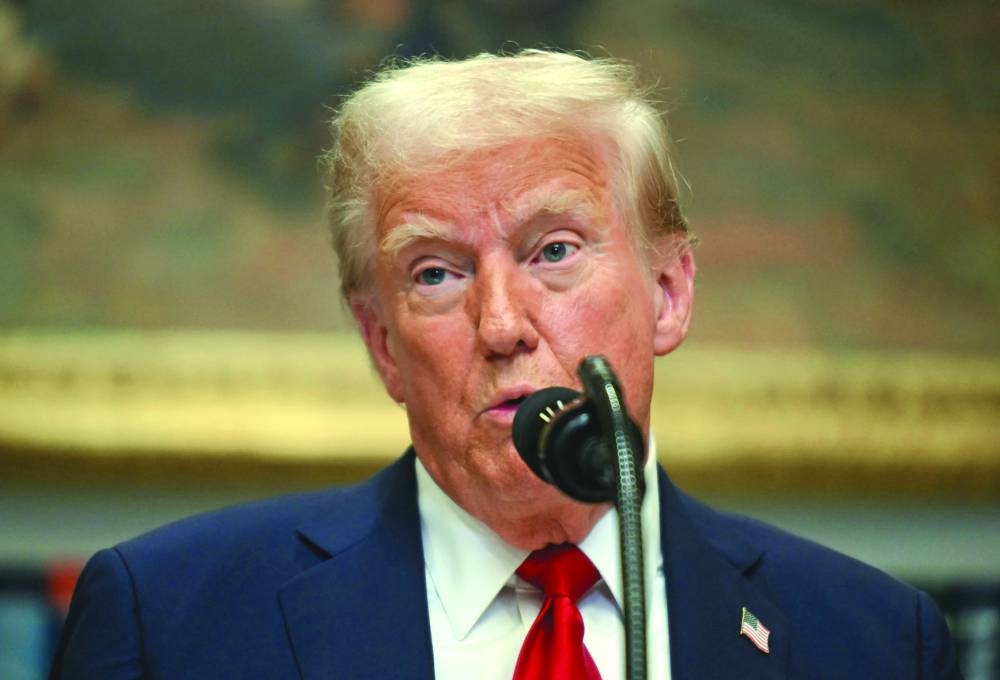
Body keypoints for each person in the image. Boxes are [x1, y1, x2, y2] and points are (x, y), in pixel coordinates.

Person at [50, 50, 962, 679]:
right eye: (436, 272)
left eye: (554, 251)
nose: (501, 323)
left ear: (670, 292)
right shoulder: (169, 622)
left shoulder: (873, 639)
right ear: (381, 344)